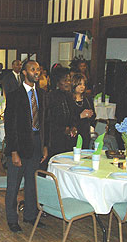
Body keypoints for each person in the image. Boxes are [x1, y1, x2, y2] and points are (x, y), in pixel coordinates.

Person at [4, 60, 48, 233]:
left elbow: (45, 122)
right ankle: (12, 219)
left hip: (37, 142)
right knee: (14, 185)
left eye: (38, 69)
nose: (36, 72)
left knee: (32, 182)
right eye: (32, 69)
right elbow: (10, 125)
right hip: (19, 145)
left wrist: (45, 145)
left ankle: (30, 215)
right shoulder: (15, 95)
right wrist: (14, 151)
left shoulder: (43, 94)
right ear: (24, 72)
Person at [47, 67, 77, 156]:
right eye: (65, 80)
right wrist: (62, 129)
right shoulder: (50, 97)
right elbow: (48, 120)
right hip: (54, 139)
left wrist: (73, 126)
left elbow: (73, 115)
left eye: (69, 80)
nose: (68, 83)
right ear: (57, 82)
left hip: (68, 139)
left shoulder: (69, 96)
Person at [71, 74, 95, 149]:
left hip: (85, 131)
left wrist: (91, 114)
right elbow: (68, 118)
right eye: (80, 84)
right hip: (74, 132)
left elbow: (94, 116)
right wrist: (80, 116)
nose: (82, 87)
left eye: (84, 84)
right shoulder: (69, 99)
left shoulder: (87, 99)